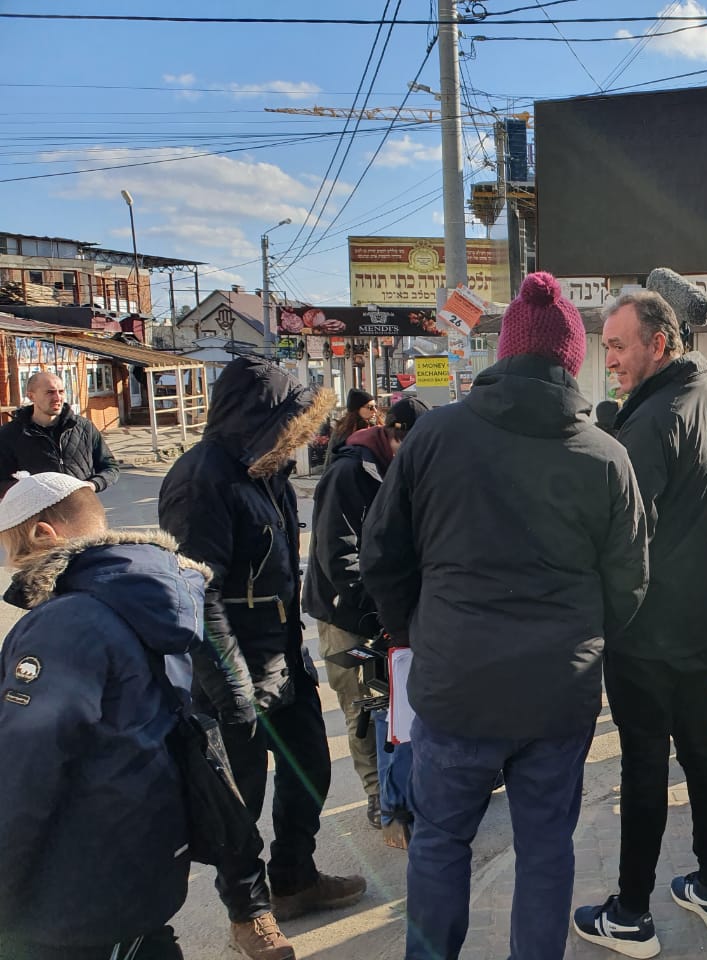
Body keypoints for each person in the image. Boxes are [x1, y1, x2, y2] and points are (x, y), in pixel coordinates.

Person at [360, 272, 648, 960]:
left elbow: (381, 554)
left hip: (455, 684)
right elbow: (631, 584)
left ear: (502, 353)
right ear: (572, 362)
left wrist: (412, 630)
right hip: (557, 696)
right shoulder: (607, 458)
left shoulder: (434, 438)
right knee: (546, 849)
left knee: (439, 841)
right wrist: (582, 640)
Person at [158, 357, 364, 960]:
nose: (295, 436)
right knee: (237, 801)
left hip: (284, 655)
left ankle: (295, 878)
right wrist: (231, 687)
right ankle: (247, 912)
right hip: (232, 669)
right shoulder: (202, 480)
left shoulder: (265, 470)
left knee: (310, 772)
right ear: (253, 415)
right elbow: (197, 595)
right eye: (287, 421)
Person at [574, 289, 707, 958]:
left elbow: (617, 531)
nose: (610, 358)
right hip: (699, 621)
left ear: (660, 342)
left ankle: (630, 914)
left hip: (646, 629)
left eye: (619, 345)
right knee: (703, 752)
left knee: (646, 765)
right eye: (605, 344)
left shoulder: (653, 421)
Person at [0, 472, 207, 960]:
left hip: (76, 886)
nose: (9, 563)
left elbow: (26, 772)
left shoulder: (66, 622)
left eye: (10, 547)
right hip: (136, 854)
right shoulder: (146, 593)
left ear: (42, 534)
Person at [303, 396, 429, 832]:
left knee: (395, 706)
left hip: (389, 611)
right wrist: (376, 611)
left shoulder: (399, 471)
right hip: (347, 613)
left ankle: (402, 788)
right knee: (361, 706)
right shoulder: (349, 473)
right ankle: (378, 795)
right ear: (393, 436)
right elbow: (338, 555)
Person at [0, 371, 120, 496]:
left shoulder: (84, 427)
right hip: (37, 513)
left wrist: (93, 484)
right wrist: (29, 488)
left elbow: (110, 467)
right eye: (50, 392)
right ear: (31, 396)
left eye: (61, 391)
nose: (57, 398)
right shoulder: (9, 434)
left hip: (82, 509)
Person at [323, 388, 377, 467]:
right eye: (370, 407)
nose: (375, 410)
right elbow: (330, 461)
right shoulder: (342, 432)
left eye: (375, 406)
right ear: (357, 409)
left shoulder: (377, 428)